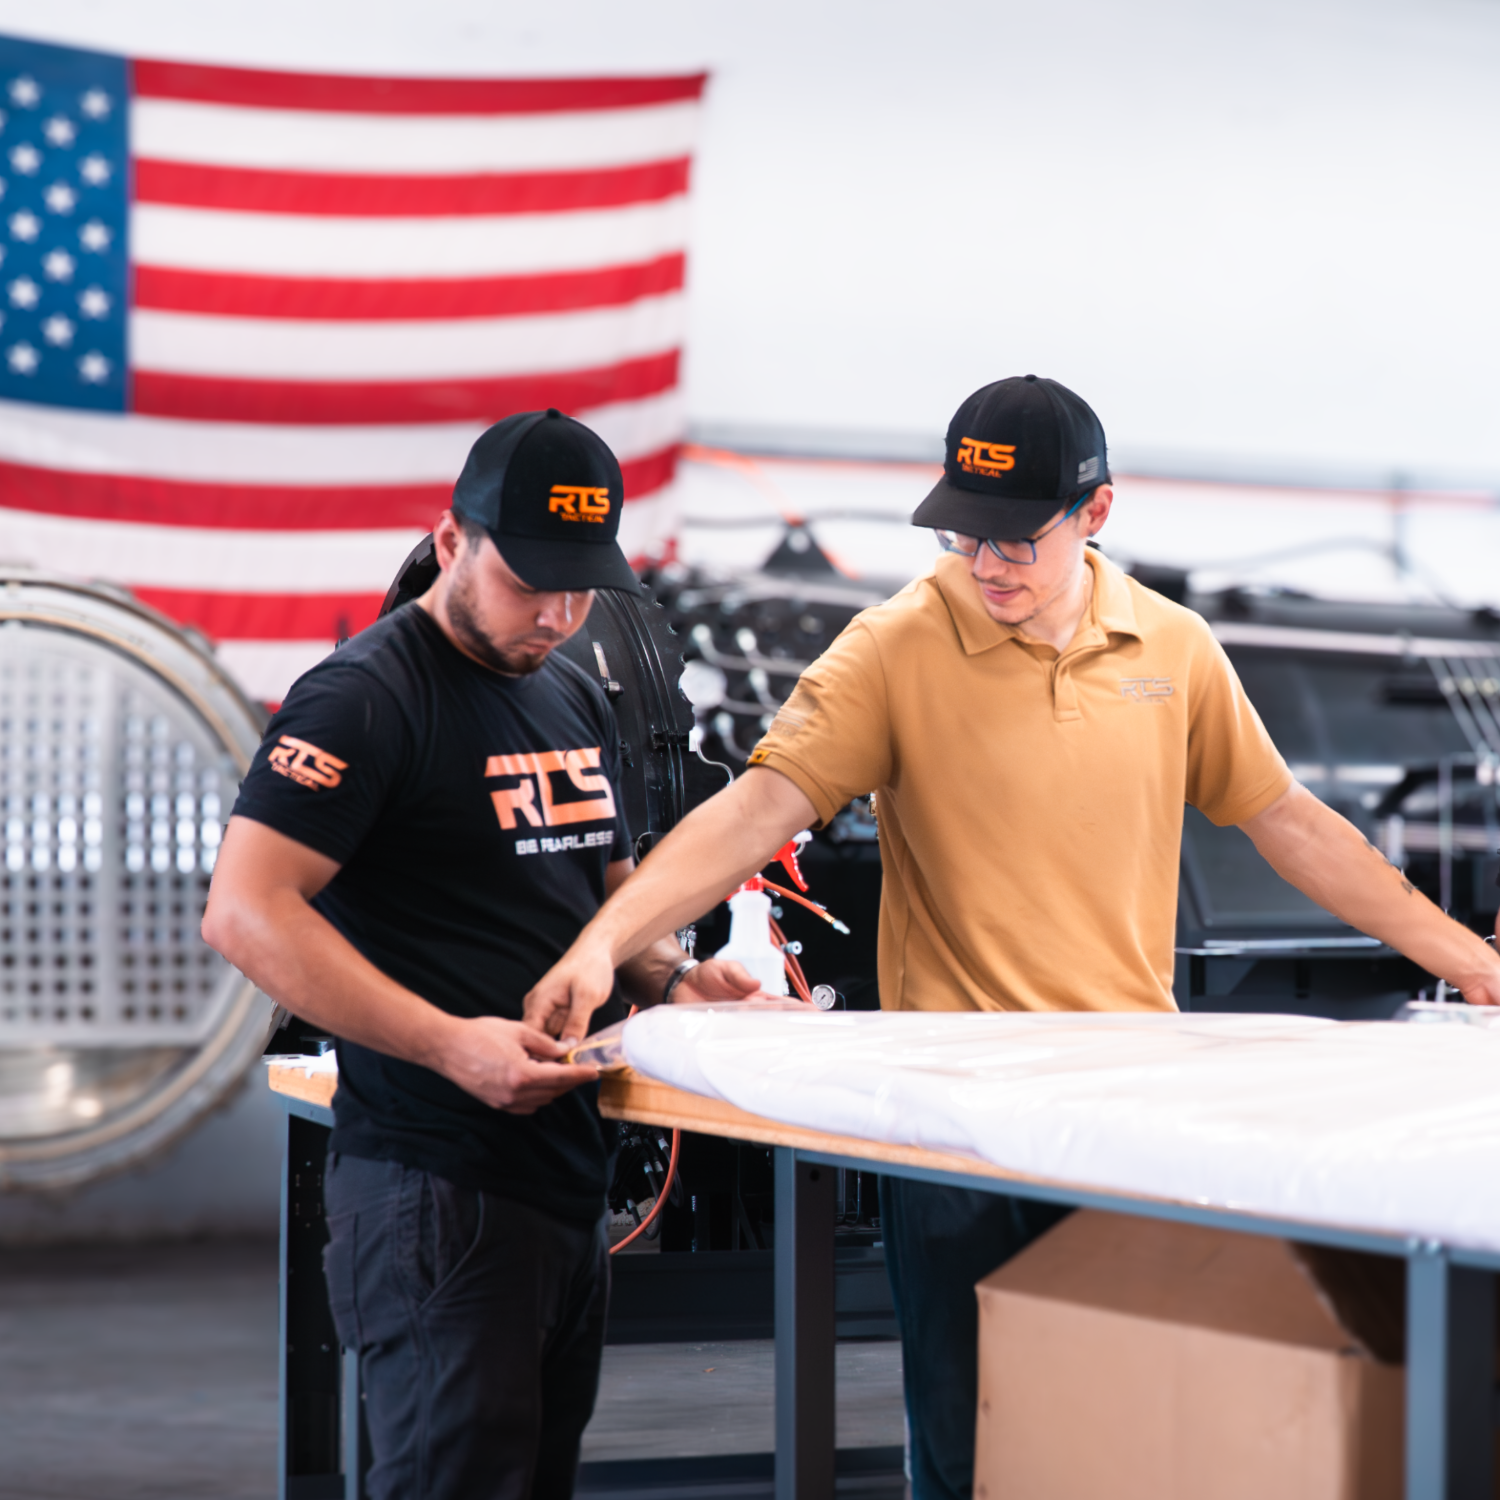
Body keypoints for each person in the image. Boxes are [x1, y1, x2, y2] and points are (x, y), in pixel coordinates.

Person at [523, 376, 1500, 1500]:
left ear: (1096, 513)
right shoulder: (894, 647)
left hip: (1130, 1110)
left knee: (1122, 1433)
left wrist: (1467, 960)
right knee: (967, 1441)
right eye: (964, 531)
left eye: (1017, 538)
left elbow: (1286, 821)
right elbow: (757, 807)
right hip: (955, 1127)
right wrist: (605, 946)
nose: (986, 562)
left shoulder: (1172, 649)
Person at [202, 410, 759, 1500]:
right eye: (528, 579)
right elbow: (246, 912)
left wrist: (680, 982)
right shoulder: (365, 698)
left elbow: (593, 894)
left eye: (581, 586)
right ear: (452, 541)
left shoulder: (565, 690)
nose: (557, 613)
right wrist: (452, 1046)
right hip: (432, 1187)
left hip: (558, 1180)